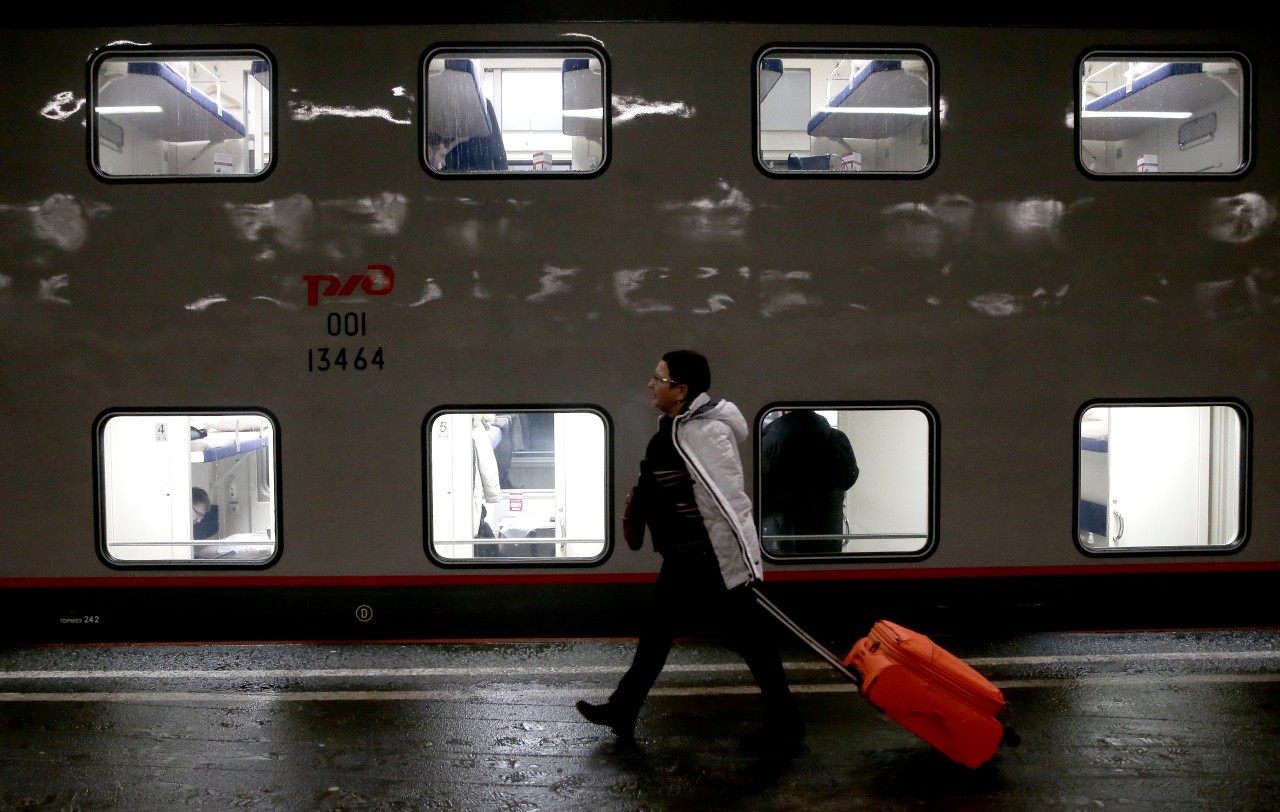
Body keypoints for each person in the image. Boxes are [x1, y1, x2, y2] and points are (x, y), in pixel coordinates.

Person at [576, 349, 805, 754]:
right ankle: (623, 709)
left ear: (680, 390)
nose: (651, 384)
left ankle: (786, 722)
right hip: (684, 556)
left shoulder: (706, 432)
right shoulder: (676, 426)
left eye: (659, 379)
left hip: (707, 558)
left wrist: (743, 560)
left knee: (750, 639)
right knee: (658, 635)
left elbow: (728, 500)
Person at [760, 409, 859, 554]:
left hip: (783, 535)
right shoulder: (837, 438)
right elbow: (851, 477)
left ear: (784, 411)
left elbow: (758, 488)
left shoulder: (769, 442)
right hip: (828, 531)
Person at [472, 414, 503, 543]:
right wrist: (493, 495)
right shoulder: (477, 429)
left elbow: (487, 463)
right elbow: (487, 464)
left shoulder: (477, 428)